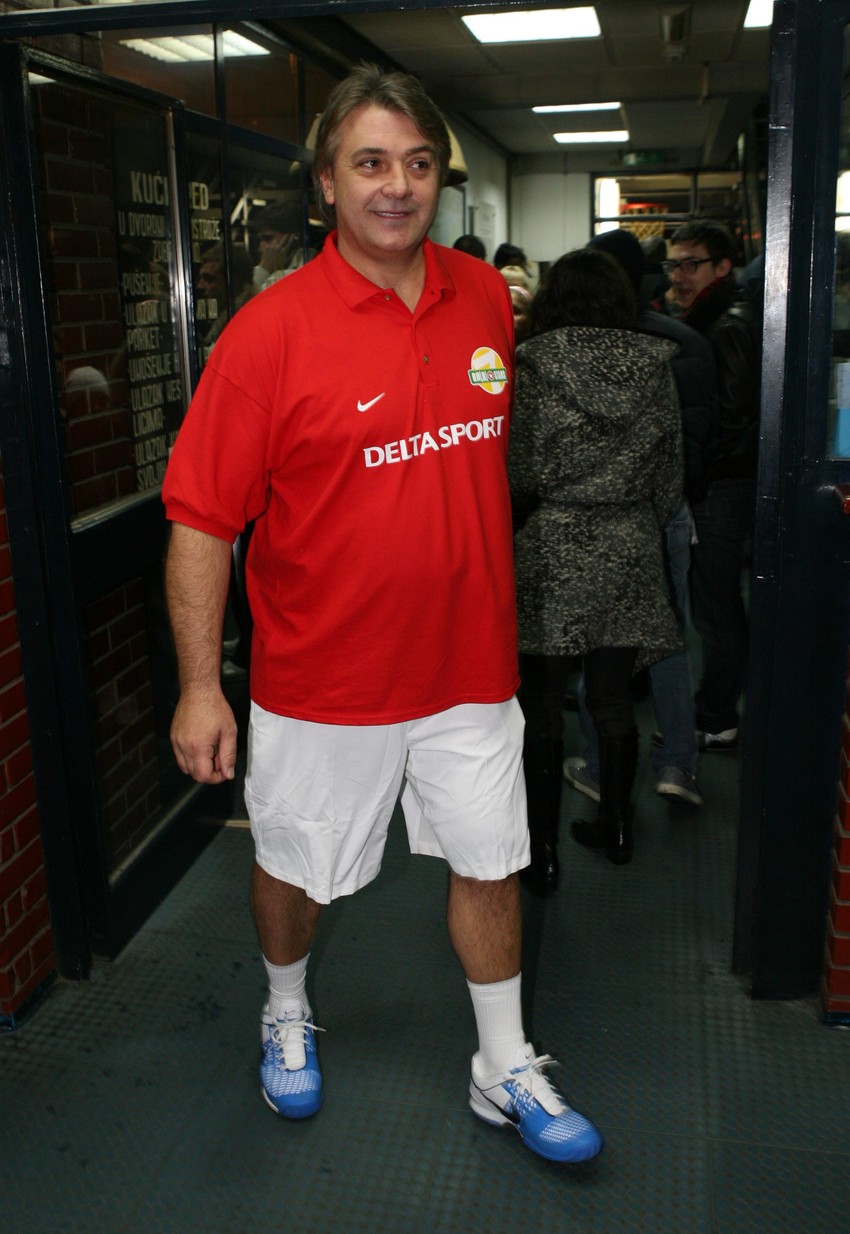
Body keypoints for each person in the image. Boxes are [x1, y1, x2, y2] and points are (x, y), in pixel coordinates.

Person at [162, 64, 602, 1165]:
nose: (396, 186)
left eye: (416, 163)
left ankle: (502, 1062)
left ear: (439, 177)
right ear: (326, 182)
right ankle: (286, 1009)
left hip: (469, 666)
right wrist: (202, 686)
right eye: (370, 163)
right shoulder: (268, 335)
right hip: (326, 677)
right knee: (296, 867)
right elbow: (203, 522)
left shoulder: (484, 295)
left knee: (490, 860)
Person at [509, 249, 683, 880]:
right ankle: (617, 829)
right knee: (612, 701)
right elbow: (670, 473)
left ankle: (542, 852)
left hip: (551, 544)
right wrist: (638, 517)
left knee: (541, 707)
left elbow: (518, 467)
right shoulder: (654, 365)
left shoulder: (532, 364)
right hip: (629, 540)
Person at [564, 228, 718, 809]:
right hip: (666, 510)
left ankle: (599, 764)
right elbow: (699, 437)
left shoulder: (575, 349)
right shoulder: (682, 342)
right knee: (668, 638)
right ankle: (677, 763)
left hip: (599, 514)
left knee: (599, 641)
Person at [665, 219, 760, 751]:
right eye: (673, 264)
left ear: (723, 267)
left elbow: (732, 419)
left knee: (716, 608)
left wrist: (696, 473)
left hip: (720, 488)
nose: (679, 275)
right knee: (713, 606)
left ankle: (718, 716)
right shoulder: (709, 320)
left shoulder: (725, 326)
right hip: (718, 484)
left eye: (691, 264)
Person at [250, 201, 304, 291]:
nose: (261, 246)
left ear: (293, 238)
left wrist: (263, 269)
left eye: (268, 238)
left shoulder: (303, 269)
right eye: (260, 240)